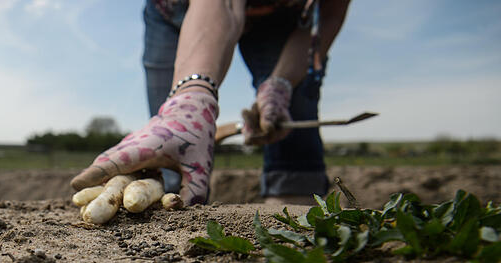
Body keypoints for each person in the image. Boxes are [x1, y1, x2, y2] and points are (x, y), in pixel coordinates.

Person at [71, 0, 351, 205]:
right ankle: (169, 206)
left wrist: (281, 84)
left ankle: (292, 217)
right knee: (170, 132)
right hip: (176, 8)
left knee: (295, 108)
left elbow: (328, 16)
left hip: (284, 17)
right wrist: (191, 99)